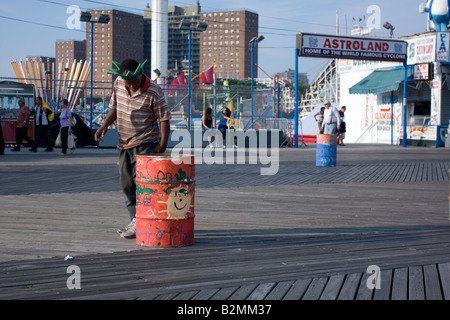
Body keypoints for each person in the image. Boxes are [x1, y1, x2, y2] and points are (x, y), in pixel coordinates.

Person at [95, 59, 171, 239]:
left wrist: (163, 145)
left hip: (145, 142)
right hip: (124, 143)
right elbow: (114, 108)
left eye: (134, 82)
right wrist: (104, 125)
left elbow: (164, 119)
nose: (131, 86)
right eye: (128, 83)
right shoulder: (118, 84)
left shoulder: (154, 91)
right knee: (127, 185)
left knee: (143, 185)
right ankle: (136, 220)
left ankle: (143, 222)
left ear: (141, 74)